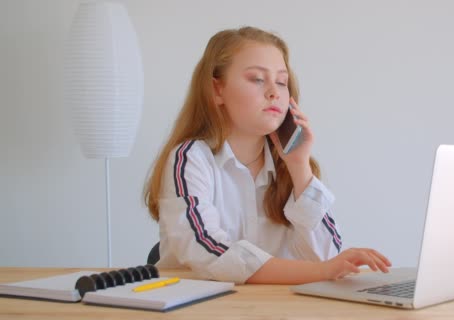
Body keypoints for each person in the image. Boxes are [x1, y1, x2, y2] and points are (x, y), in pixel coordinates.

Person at [144, 26, 391, 284]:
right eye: (257, 79)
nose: (274, 92)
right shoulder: (190, 159)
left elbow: (326, 256)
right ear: (217, 90)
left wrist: (299, 167)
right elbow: (209, 252)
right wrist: (323, 271)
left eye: (282, 82)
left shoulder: (289, 167)